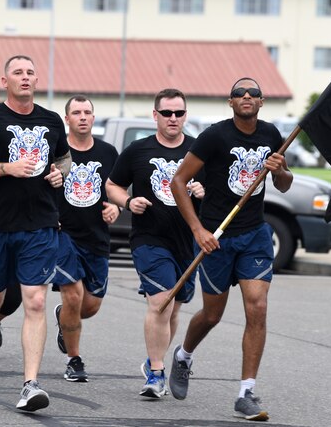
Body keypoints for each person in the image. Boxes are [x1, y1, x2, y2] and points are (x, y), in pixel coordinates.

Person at [169, 78, 292, 421]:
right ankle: (183, 355)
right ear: (231, 102)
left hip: (254, 235)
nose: (247, 97)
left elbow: (284, 183)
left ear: (262, 102)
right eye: (240, 93)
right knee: (212, 315)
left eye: (253, 93)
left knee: (258, 308)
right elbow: (178, 182)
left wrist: (279, 170)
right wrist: (198, 229)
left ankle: (246, 392)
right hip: (217, 238)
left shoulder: (271, 135)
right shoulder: (215, 136)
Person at [0, 54, 70, 412]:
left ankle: (30, 383)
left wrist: (59, 174)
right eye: (17, 72)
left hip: (39, 224)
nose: (25, 77)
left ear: (37, 80)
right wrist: (7, 167)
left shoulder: (51, 120)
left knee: (36, 301)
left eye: (30, 72)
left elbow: (63, 159)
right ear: (4, 81)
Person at [105, 88, 204, 398]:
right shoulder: (137, 150)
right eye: (167, 113)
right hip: (149, 239)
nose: (173, 118)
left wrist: (204, 190)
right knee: (160, 302)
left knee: (174, 308)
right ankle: (157, 374)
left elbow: (218, 190)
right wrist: (127, 201)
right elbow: (112, 185)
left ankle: (154, 358)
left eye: (179, 113)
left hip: (188, 242)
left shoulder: (199, 151)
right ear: (155, 116)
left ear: (185, 115)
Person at [51, 95, 119, 382]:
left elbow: (117, 188)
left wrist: (116, 206)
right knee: (73, 295)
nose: (82, 117)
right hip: (63, 234)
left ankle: (63, 317)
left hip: (96, 237)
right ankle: (74, 360)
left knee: (89, 306)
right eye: (76, 112)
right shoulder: (57, 151)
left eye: (87, 112)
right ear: (67, 118)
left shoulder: (108, 152)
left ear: (93, 118)